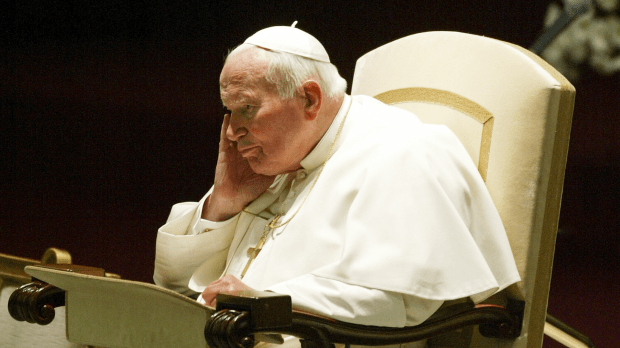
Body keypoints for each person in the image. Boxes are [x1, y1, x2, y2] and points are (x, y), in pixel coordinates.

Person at [153, 24, 520, 337]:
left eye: (246, 108)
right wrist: (225, 203)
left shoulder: (402, 152)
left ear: (309, 98)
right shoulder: (290, 151)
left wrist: (265, 300)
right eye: (228, 112)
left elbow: (398, 301)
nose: (231, 132)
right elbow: (174, 286)